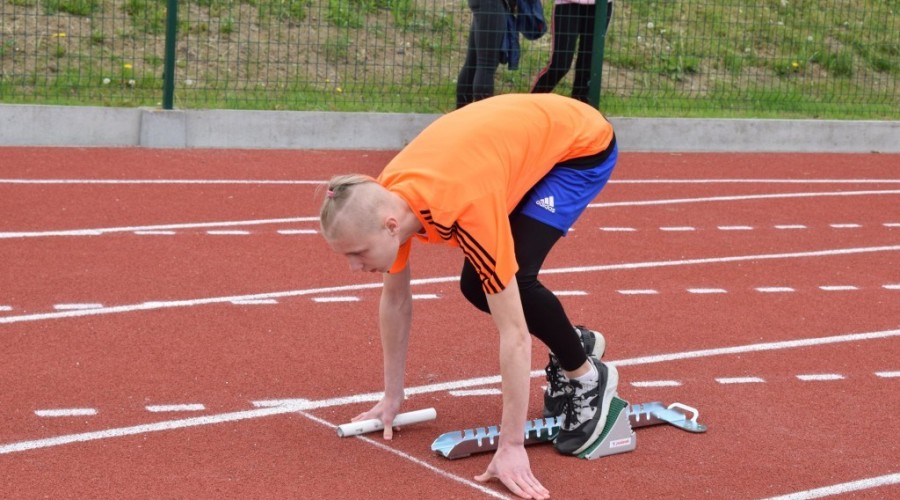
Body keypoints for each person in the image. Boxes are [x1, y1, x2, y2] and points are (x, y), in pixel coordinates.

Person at [319, 93, 619, 499]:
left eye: (357, 254)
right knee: (478, 285)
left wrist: (510, 446)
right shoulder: (389, 196)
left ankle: (586, 376)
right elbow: (396, 301)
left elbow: (514, 333)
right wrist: (392, 397)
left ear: (391, 226)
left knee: (514, 283)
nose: (355, 268)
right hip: (506, 147)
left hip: (580, 148)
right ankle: (575, 341)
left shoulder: (466, 209)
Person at [530, 0, 614, 102]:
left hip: (601, 6)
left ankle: (581, 109)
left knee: (588, 66)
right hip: (567, 5)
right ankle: (530, 104)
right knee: (560, 65)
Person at [456, 0, 508, 108]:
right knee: (486, 65)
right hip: (491, 4)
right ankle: (482, 118)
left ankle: (461, 117)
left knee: (473, 63)